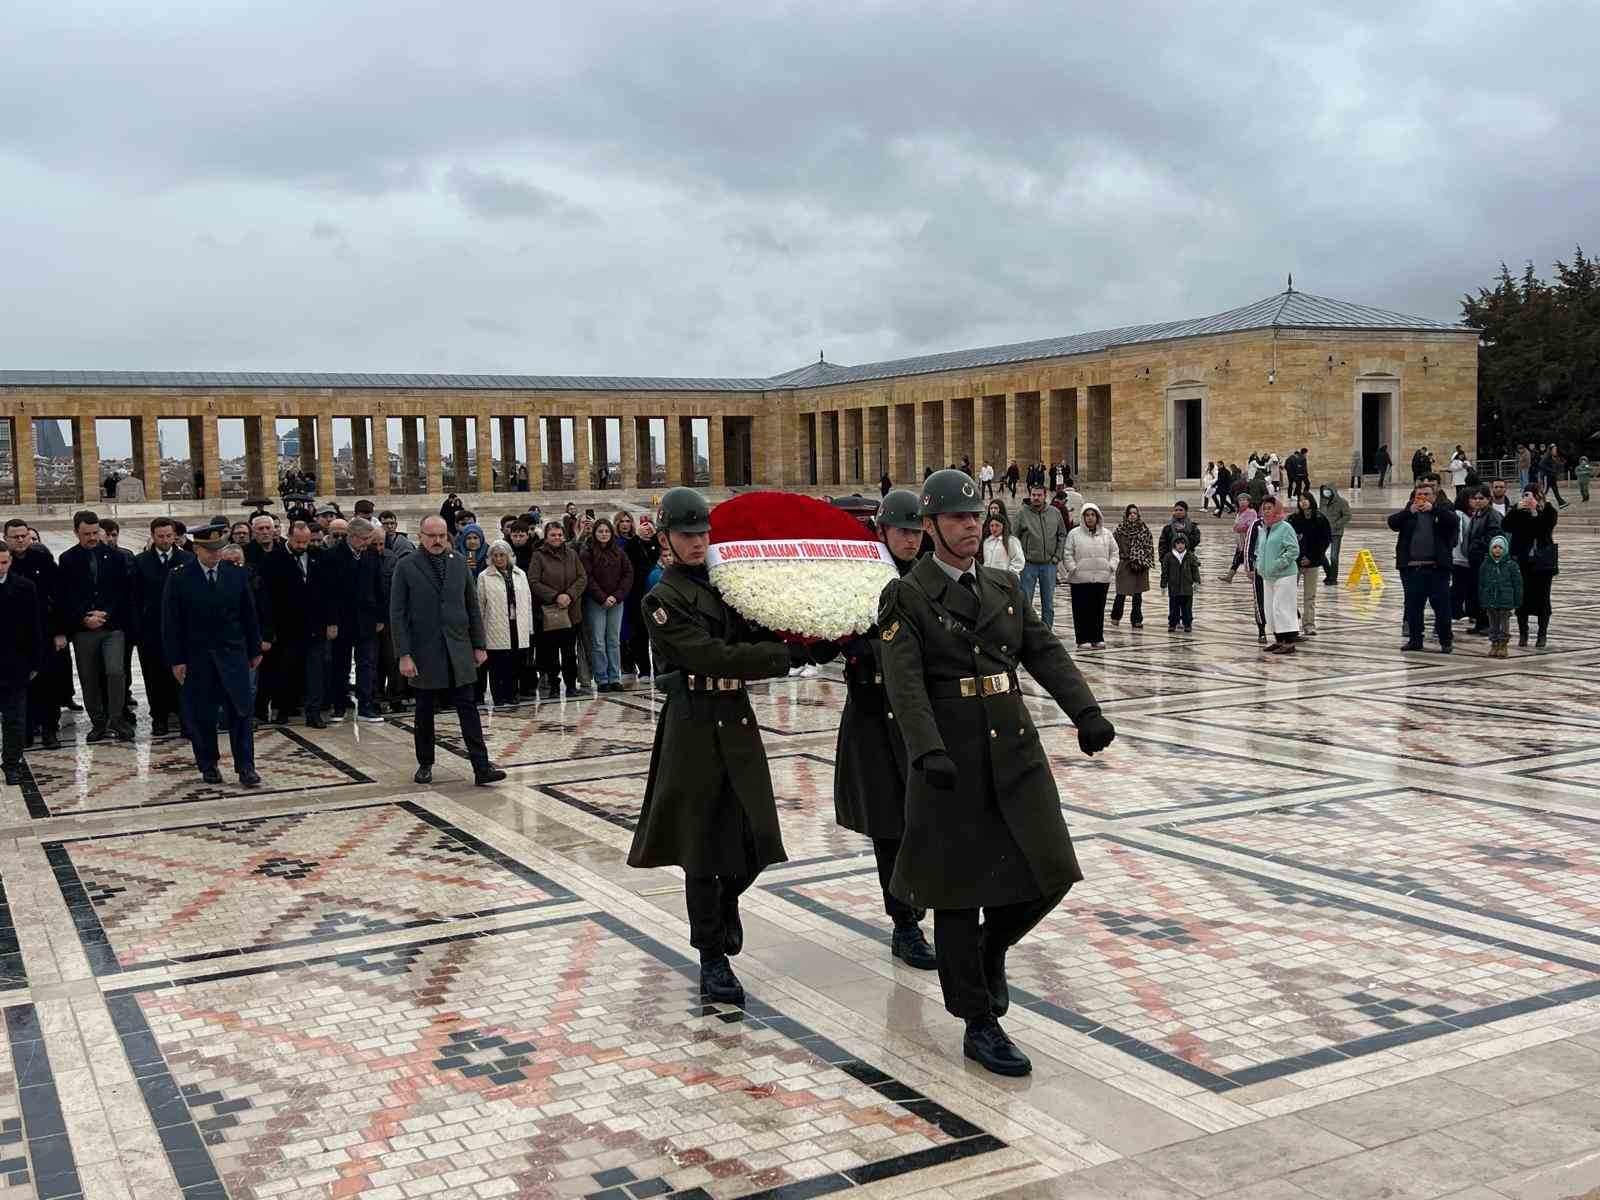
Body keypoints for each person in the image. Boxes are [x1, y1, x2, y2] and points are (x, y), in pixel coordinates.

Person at [876, 468, 1114, 1076]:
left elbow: (1044, 651)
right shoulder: (907, 594)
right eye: (957, 518)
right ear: (929, 527)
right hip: (951, 759)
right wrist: (925, 749)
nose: (970, 526)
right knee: (959, 895)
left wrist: (1084, 711)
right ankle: (979, 1021)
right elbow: (904, 682)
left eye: (976, 516)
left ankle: (993, 947)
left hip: (1012, 748)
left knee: (1051, 868)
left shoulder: (1005, 586)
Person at [627, 486, 831, 1005]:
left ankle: (724, 901)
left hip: (735, 718)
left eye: (703, 533)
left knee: (758, 833)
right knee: (700, 847)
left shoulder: (726, 582)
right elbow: (713, 655)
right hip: (693, 724)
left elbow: (758, 623)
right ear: (667, 540)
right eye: (687, 535)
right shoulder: (661, 599)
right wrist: (780, 657)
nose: (698, 543)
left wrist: (811, 628)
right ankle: (711, 958)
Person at [833, 489, 936, 971]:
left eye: (917, 531)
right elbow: (845, 636)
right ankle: (905, 924)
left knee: (923, 819)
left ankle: (916, 906)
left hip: (918, 715)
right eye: (903, 532)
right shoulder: (861, 580)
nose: (911, 540)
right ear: (883, 532)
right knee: (889, 827)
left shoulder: (930, 579)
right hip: (875, 713)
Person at [389, 516, 506, 786]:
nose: (438, 540)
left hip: (458, 649)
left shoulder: (458, 563)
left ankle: (481, 766)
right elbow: (398, 614)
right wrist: (404, 654)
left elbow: (472, 607)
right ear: (421, 536)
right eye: (432, 536)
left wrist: (479, 645)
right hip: (425, 651)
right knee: (425, 711)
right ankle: (425, 763)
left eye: (442, 535)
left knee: (468, 709)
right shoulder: (406, 566)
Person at [162, 519, 262, 787]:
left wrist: (254, 649)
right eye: (209, 550)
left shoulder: (236, 573)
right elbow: (171, 622)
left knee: (241, 713)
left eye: (218, 548)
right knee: (202, 715)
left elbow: (248, 615)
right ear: (197, 550)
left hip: (233, 655)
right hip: (198, 658)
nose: (215, 554)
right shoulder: (180, 576)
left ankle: (246, 767)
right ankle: (208, 765)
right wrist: (176, 660)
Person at [57, 510, 135, 742]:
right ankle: (98, 722)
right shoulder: (67, 559)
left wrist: (106, 614)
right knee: (88, 676)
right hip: (84, 629)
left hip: (112, 627)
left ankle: (117, 719)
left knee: (115, 672)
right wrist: (84, 618)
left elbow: (123, 591)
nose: (91, 537)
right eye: (86, 533)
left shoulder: (115, 556)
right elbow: (66, 596)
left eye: (94, 532)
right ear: (76, 532)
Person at [264, 521, 333, 727]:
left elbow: (330, 592)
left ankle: (314, 713)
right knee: (285, 669)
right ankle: (283, 710)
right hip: (287, 626)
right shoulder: (274, 559)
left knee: (315, 671)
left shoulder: (318, 555)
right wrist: (269, 629)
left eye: (306, 541)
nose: (303, 545)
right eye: (299, 542)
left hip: (315, 625)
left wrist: (331, 621)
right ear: (289, 537)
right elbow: (267, 598)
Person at [4, 521, 63, 750]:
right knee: (21, 686)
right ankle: (25, 732)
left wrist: (59, 631)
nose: (20, 540)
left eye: (23, 536)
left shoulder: (42, 560)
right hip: (14, 639)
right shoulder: (4, 562)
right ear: (6, 538)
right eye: (15, 536)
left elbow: (57, 596)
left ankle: (49, 731)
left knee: (48, 683)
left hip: (43, 632)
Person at [132, 518, 192, 737]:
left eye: (169, 536)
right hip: (151, 629)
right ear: (153, 536)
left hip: (180, 628)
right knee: (153, 674)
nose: (165, 540)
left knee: (182, 674)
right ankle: (159, 718)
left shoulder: (187, 558)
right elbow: (135, 597)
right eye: (160, 536)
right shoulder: (140, 561)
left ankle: (186, 717)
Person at [326, 516, 384, 721]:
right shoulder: (332, 556)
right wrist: (331, 622)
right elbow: (328, 592)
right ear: (351, 536)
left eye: (370, 538)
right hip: (342, 621)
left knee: (366, 663)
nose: (368, 542)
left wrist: (380, 616)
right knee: (340, 664)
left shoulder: (371, 555)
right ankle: (339, 705)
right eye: (364, 538)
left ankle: (366, 705)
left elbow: (378, 587)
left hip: (366, 620)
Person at [1388, 484, 1458, 654]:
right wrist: (1409, 511)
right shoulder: (1409, 513)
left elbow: (1453, 522)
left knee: (1441, 607)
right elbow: (1392, 523)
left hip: (1437, 569)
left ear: (1434, 496)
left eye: (1427, 494)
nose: (1423, 497)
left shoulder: (1441, 512)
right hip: (1412, 569)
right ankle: (1415, 639)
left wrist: (1433, 510)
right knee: (1413, 606)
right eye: (1419, 494)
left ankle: (1445, 640)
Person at [0, 545, 45, 786]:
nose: (1, 567)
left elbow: (33, 627)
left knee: (14, 718)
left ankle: (12, 763)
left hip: (14, 664)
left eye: (5, 562)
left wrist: (35, 661)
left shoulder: (24, 587)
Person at [529, 522, 586, 699]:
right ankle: (554, 685)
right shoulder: (538, 556)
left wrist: (569, 595)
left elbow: (582, 577)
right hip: (549, 612)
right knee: (551, 653)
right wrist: (555, 596)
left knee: (570, 652)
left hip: (570, 610)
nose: (557, 538)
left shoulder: (572, 554)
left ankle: (571, 685)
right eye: (553, 535)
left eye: (560, 535)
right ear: (546, 537)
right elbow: (534, 581)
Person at [476, 539, 534, 706]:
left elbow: (527, 600)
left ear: (509, 556)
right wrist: (479, 632)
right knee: (497, 666)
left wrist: (529, 627)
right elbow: (480, 605)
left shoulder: (520, 574)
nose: (499, 559)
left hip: (518, 625)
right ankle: (499, 697)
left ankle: (513, 694)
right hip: (495, 627)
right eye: (495, 556)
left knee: (516, 664)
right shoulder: (484, 577)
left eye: (502, 555)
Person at [580, 517, 633, 693]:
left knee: (613, 640)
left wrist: (616, 596)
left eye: (607, 531)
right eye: (600, 531)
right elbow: (588, 578)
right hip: (596, 602)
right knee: (598, 642)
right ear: (595, 533)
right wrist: (602, 597)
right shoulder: (587, 553)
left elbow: (628, 575)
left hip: (616, 602)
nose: (604, 534)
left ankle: (614, 677)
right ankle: (602, 678)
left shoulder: (619, 552)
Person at [1503, 486, 1558, 647]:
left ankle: (1542, 634)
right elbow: (1506, 526)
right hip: (1523, 561)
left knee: (1543, 598)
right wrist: (1515, 510)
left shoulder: (1548, 511)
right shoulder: (1519, 511)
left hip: (1543, 563)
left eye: (1533, 495)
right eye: (1526, 495)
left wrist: (1535, 511)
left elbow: (1543, 530)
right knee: (1522, 598)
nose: (1529, 498)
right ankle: (1523, 634)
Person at [1061, 503, 1116, 649]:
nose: (1090, 518)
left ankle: (1097, 637)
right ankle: (1082, 638)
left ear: (1097, 517)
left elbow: (1114, 552)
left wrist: (1110, 566)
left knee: (1098, 610)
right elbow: (1067, 553)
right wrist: (1073, 569)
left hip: (1101, 578)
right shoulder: (1074, 534)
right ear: (1083, 517)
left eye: (1093, 515)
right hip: (1080, 579)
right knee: (1081, 610)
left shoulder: (1106, 534)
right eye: (1087, 515)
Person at [1013, 485, 1068, 631]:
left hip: (1049, 564)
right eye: (1033, 495)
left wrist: (1057, 556)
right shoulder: (1022, 514)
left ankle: (1046, 630)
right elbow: (1014, 538)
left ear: (1045, 496)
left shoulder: (1055, 513)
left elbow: (1062, 534)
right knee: (1026, 600)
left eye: (1039, 495)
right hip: (1028, 565)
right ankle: (1026, 630)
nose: (1036, 498)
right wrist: (1021, 558)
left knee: (1048, 602)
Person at [1256, 496, 1301, 654]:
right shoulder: (1264, 528)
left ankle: (1289, 642)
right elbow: (1260, 550)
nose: (1267, 511)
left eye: (1270, 508)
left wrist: (1278, 564)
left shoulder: (1285, 527)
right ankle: (1278, 639)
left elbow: (1293, 550)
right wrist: (1259, 566)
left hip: (1285, 575)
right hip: (1268, 576)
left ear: (1276, 509)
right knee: (1270, 608)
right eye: (1265, 508)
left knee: (1282, 607)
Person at [620, 512, 658, 681]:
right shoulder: (633, 544)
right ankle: (644, 669)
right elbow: (628, 559)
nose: (647, 529)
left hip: (658, 596)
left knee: (658, 634)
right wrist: (637, 538)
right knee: (639, 634)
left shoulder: (658, 543)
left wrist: (655, 536)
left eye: (649, 525)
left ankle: (660, 670)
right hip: (638, 595)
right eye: (644, 525)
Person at [1287, 493, 1330, 636]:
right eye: (1300, 500)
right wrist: (1298, 558)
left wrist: (1311, 558)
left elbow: (1324, 541)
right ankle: (1292, 623)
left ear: (1311, 501)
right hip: (1295, 563)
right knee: (1289, 594)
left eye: (1305, 499)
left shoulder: (1320, 519)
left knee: (1310, 596)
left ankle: (1309, 624)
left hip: (1312, 563)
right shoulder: (1293, 519)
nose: (1302, 502)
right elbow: (1289, 540)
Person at [1463, 487, 1503, 637]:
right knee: (1476, 592)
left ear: (1488, 499)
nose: (1478, 501)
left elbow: (1494, 535)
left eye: (1481, 498)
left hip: (1485, 558)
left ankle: (1488, 623)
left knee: (1487, 592)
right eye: (1475, 498)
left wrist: (1477, 545)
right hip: (1475, 559)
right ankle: (1480, 622)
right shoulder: (1477, 515)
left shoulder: (1492, 515)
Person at [1478, 535, 1522, 658]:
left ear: (1505, 549)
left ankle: (1503, 644)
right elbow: (1481, 584)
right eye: (1495, 547)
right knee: (1493, 623)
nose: (1497, 550)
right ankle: (1494, 643)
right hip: (1490, 600)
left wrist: (1517, 601)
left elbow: (1517, 584)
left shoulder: (1511, 565)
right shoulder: (1486, 565)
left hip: (1505, 601)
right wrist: (1482, 598)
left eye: (1500, 548)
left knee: (1504, 622)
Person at [1110, 504, 1152, 629]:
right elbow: (1112, 547)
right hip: (1125, 564)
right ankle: (1116, 616)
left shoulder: (1144, 530)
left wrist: (1144, 560)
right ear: (1126, 515)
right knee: (1121, 593)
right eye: (1130, 513)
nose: (1132, 516)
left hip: (1139, 565)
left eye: (1135, 513)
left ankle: (1136, 620)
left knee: (1137, 595)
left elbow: (1149, 548)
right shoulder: (1120, 530)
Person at [1160, 531, 1200, 632]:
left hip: (1187, 588)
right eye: (1178, 543)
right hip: (1174, 588)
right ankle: (1173, 623)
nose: (1180, 545)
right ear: (1174, 544)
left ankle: (1187, 624)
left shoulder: (1190, 556)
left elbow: (1195, 570)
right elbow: (1164, 572)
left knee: (1187, 608)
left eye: (1182, 543)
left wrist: (1196, 582)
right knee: (1174, 607)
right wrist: (1163, 585)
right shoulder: (1168, 557)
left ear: (1186, 544)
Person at [1318, 482, 1351, 585]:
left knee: (1334, 556)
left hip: (1336, 533)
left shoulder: (1342, 503)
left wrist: (1337, 524)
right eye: (1324, 491)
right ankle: (1329, 574)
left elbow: (1347, 516)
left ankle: (1333, 578)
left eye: (1328, 490)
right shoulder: (1323, 503)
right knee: (1320, 554)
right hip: (1324, 532)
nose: (1326, 493)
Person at [1222, 496, 1257, 585]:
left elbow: (1252, 525)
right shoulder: (1239, 513)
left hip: (1247, 540)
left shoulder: (1251, 512)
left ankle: (1255, 576)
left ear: (1249, 502)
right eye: (1240, 500)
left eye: (1244, 500)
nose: (1242, 502)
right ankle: (1229, 576)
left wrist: (1239, 528)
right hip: (1240, 541)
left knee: (1245, 558)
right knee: (1237, 558)